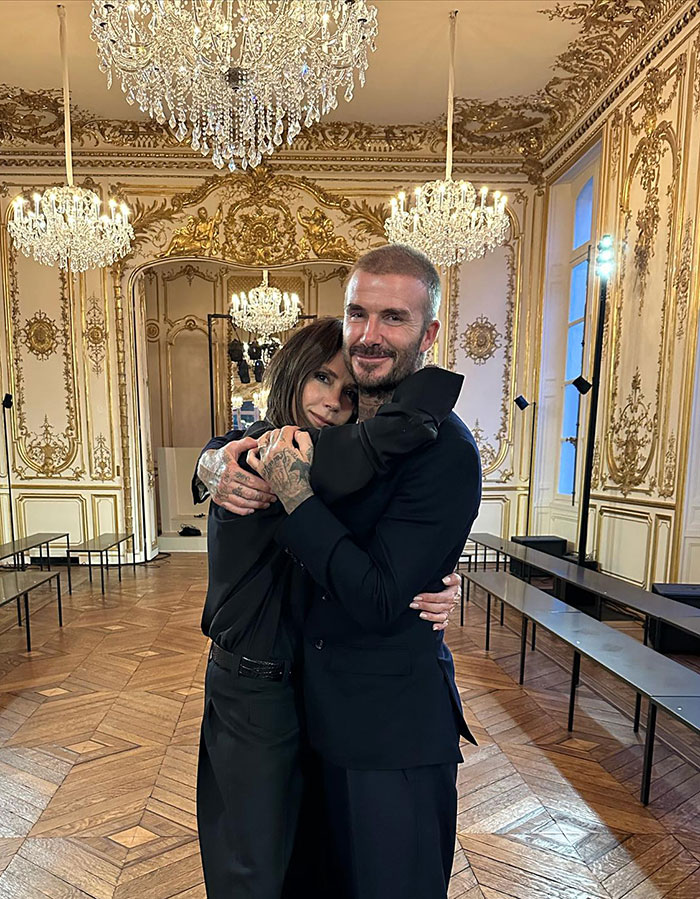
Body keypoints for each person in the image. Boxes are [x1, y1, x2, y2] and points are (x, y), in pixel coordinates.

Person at [199, 244, 482, 899]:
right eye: (358, 313)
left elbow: (380, 589)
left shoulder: (434, 450)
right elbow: (240, 451)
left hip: (390, 736)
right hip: (295, 713)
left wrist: (439, 579)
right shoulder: (302, 452)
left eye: (394, 317)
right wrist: (210, 465)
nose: (370, 334)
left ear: (429, 332)